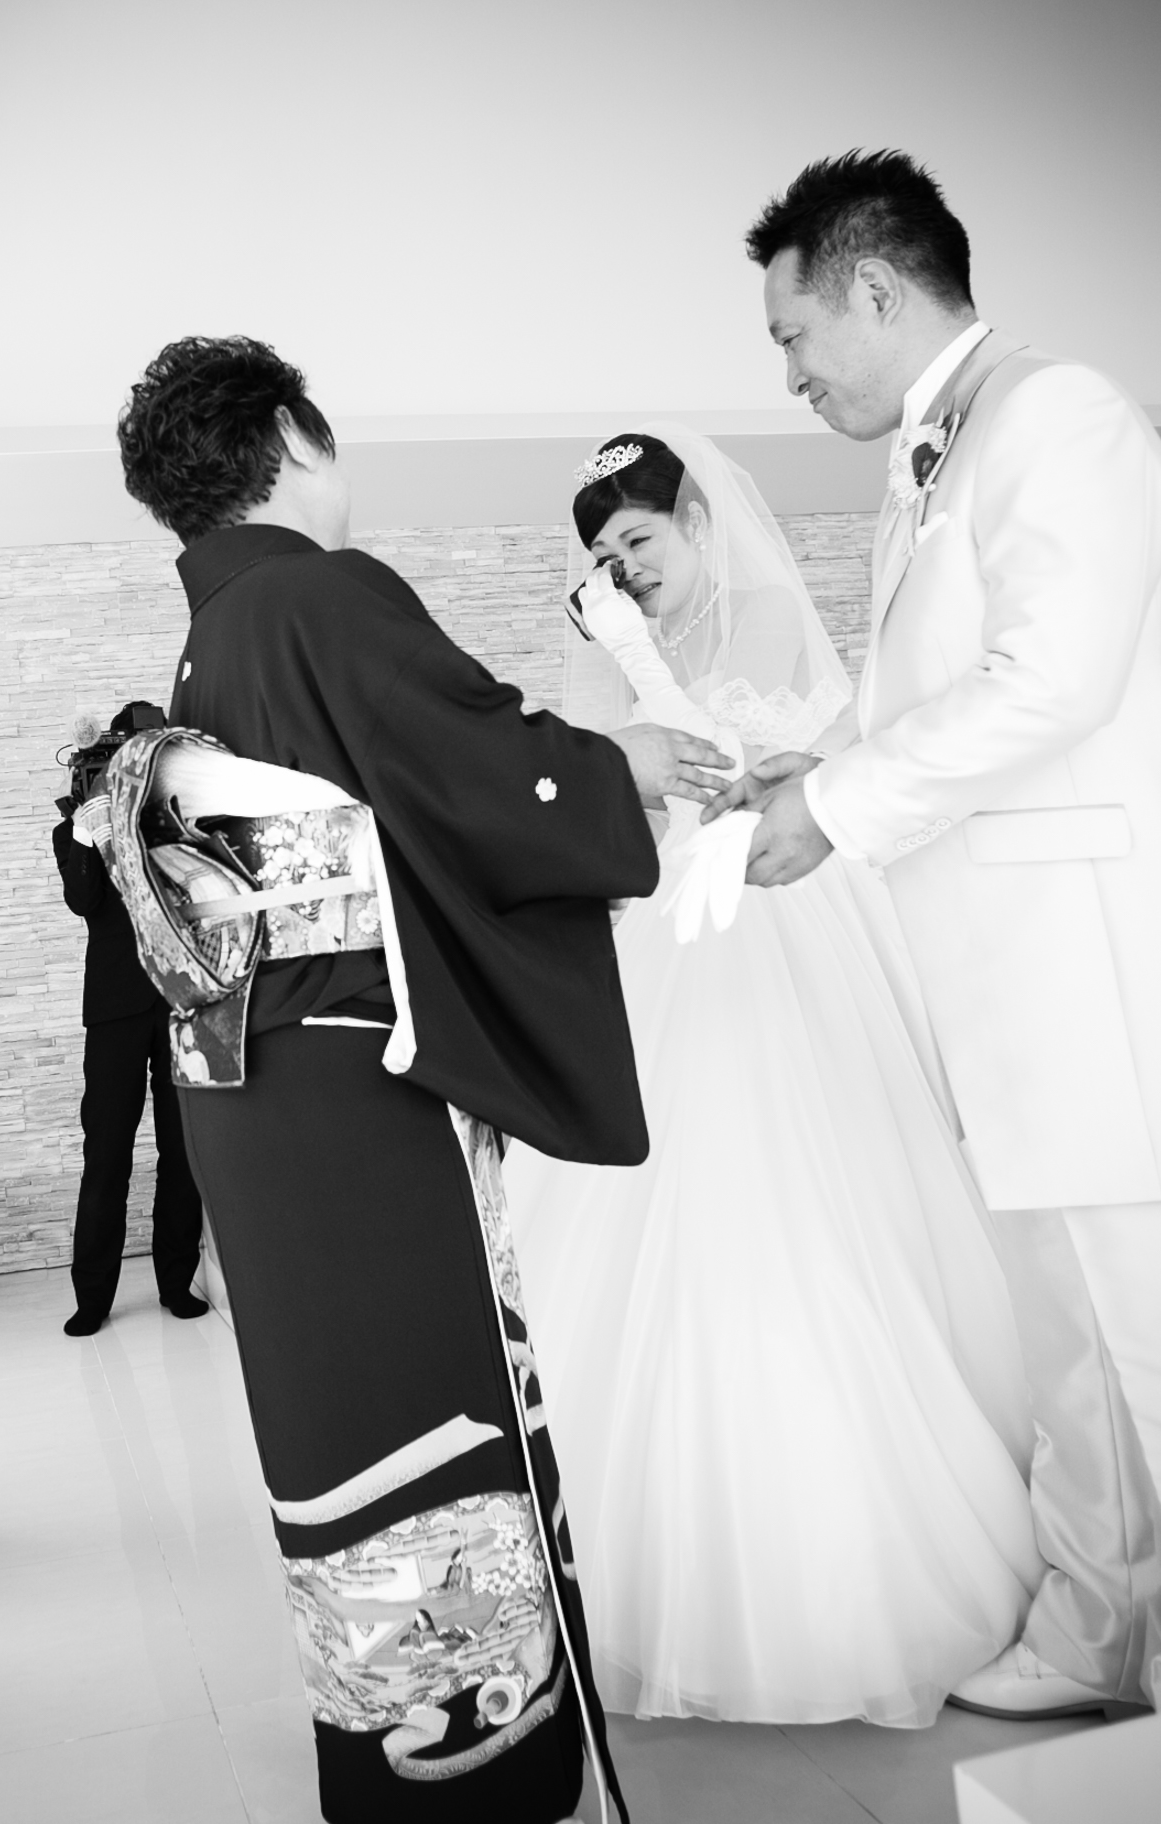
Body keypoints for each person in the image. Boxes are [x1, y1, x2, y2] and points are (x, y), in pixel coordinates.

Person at [730, 151, 1161, 1717]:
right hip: (1020, 1016)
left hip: (1122, 995)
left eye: (793, 335)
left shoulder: (1064, 414)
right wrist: (814, 765)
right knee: (1073, 1359)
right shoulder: (936, 455)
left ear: (875, 288)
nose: (789, 373)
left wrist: (840, 806)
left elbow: (1053, 680)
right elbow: (924, 690)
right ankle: (1092, 1631)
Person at [111, 335, 733, 1824]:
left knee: (346, 1424)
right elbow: (472, 772)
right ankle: (485, 1769)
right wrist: (620, 768)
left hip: (257, 1086)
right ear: (292, 437)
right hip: (357, 1086)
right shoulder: (320, 593)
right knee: (434, 1401)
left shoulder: (212, 637)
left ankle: (397, 1749)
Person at [502, 430, 1041, 1727]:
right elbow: (631, 806)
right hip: (673, 937)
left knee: (807, 1192)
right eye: (604, 558)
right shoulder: (626, 648)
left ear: (698, 520)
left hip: (785, 927)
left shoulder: (773, 630)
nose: (625, 572)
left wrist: (635, 667)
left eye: (639, 540)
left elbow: (733, 769)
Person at [52, 700, 205, 1337]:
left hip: (182, 1001)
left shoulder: (183, 820)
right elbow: (83, 901)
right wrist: (88, 832)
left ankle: (177, 1283)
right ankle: (93, 1297)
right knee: (107, 1153)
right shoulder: (74, 831)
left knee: (183, 1152)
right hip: (115, 1010)